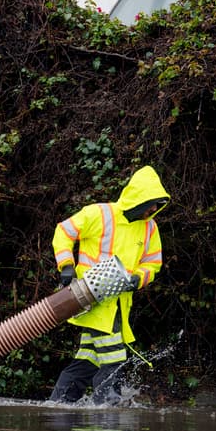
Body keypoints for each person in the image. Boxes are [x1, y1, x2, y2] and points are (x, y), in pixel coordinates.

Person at [49, 165, 170, 403]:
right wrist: (66, 265)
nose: (154, 208)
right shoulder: (99, 214)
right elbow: (64, 232)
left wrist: (137, 279)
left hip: (117, 307)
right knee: (114, 358)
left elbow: (153, 263)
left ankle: (58, 406)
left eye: (158, 204)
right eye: (151, 203)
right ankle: (108, 412)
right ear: (138, 198)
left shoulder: (149, 229)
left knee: (87, 361)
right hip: (90, 301)